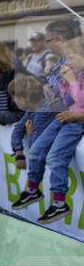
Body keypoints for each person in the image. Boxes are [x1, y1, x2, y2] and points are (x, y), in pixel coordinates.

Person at [12, 35, 84, 224]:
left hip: (76, 122)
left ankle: (59, 202)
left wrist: (72, 82)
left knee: (54, 157)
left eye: (72, 57)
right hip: (63, 116)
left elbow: (80, 101)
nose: (68, 62)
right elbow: (67, 100)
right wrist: (62, 84)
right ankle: (33, 189)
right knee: (36, 150)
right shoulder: (76, 74)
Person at [8, 75, 54, 172]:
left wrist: (30, 133)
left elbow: (36, 147)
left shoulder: (42, 114)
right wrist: (19, 153)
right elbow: (18, 129)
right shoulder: (32, 109)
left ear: (23, 99)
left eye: (14, 97)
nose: (13, 101)